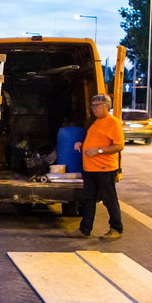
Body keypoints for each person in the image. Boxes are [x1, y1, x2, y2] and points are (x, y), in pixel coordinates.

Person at [65, 93, 125, 239]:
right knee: (87, 199)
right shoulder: (96, 122)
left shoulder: (112, 122)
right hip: (90, 169)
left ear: (106, 106)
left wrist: (98, 151)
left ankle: (116, 229)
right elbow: (96, 140)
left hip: (105, 169)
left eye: (97, 105)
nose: (94, 108)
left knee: (109, 199)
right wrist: (83, 144)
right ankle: (84, 229)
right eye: (93, 105)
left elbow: (119, 145)